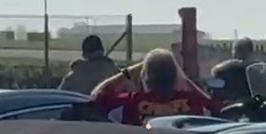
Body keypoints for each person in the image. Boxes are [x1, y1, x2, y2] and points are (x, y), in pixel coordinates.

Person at [89, 48, 218, 125]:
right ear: (175, 76)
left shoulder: (131, 101)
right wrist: (185, 81)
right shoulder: (193, 101)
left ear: (145, 77)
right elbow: (216, 107)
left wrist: (129, 72)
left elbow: (98, 96)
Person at [209, 37, 255, 103]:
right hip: (241, 102)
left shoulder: (230, 68)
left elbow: (215, 72)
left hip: (240, 102)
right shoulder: (257, 67)